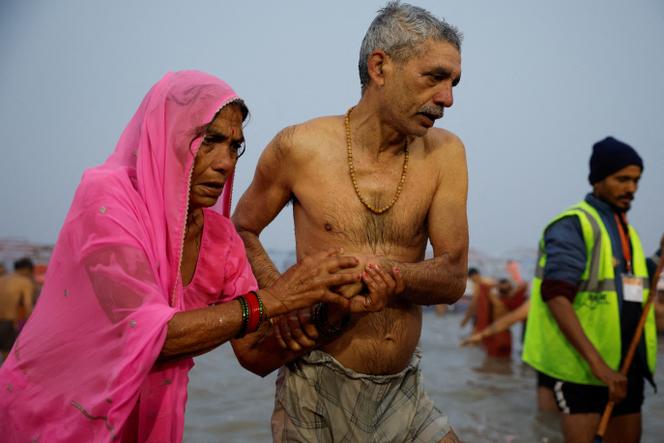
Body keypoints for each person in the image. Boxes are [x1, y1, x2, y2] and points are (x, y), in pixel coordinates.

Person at [0, 71, 376, 442]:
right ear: (166, 138)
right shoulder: (107, 201)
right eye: (210, 141)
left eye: (234, 147)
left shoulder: (220, 238)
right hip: (51, 417)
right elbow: (151, 337)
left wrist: (332, 311)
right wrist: (277, 298)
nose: (226, 162)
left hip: (146, 422)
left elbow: (254, 354)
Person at [232, 3, 467, 441]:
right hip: (314, 386)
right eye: (434, 77)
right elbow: (241, 229)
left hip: (404, 390)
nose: (447, 98)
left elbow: (453, 277)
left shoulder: (446, 154)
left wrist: (389, 276)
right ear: (380, 66)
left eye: (453, 82)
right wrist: (280, 298)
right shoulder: (299, 147)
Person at [522, 137, 657, 443]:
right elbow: (556, 297)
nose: (632, 189)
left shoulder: (627, 230)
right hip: (583, 372)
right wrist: (600, 367)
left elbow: (634, 281)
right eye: (622, 179)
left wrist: (658, 258)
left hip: (626, 369)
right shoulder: (574, 225)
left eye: (636, 180)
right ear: (598, 180)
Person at [0, 257, 34, 361]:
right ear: (27, 269)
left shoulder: (2, 279)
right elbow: (28, 305)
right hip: (8, 323)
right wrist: (32, 327)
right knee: (8, 360)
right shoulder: (24, 282)